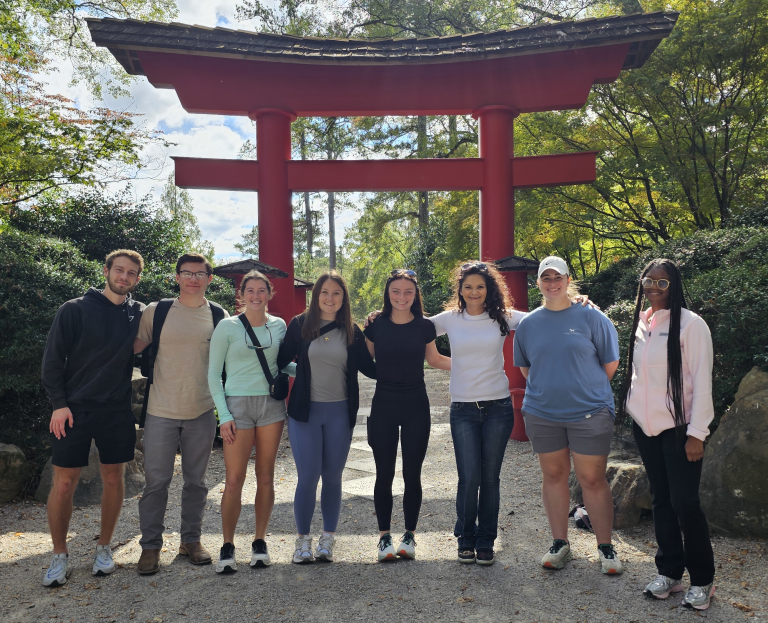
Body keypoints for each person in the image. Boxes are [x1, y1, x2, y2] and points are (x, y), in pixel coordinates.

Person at [41, 250, 146, 587]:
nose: (124, 277)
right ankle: (59, 554)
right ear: (106, 271)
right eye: (119, 270)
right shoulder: (74, 309)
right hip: (73, 409)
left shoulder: (138, 314)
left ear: (137, 279)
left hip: (116, 409)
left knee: (114, 477)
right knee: (65, 481)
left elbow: (155, 344)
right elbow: (53, 359)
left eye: (131, 273)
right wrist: (59, 404)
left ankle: (104, 548)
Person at [514, 256, 623, 575]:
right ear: (538, 283)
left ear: (568, 279)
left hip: (589, 412)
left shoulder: (592, 316)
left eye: (557, 277)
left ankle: (605, 546)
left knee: (592, 478)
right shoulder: (529, 324)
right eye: (545, 278)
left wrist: (584, 389)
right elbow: (526, 368)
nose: (552, 283)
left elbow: (610, 364)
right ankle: (560, 542)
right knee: (554, 476)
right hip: (543, 412)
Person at [621, 259, 716, 610]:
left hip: (680, 429)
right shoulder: (642, 322)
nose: (653, 287)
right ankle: (671, 572)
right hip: (645, 427)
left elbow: (703, 382)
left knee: (685, 503)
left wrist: (697, 433)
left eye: (662, 283)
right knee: (661, 498)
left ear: (674, 285)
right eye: (648, 281)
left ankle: (703, 579)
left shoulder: (691, 325)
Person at [132, 253, 229, 575]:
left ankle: (191, 540)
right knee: (156, 482)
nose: (193, 279)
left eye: (200, 274)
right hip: (160, 410)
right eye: (186, 273)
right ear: (177, 277)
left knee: (196, 482)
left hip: (201, 410)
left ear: (209, 279)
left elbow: (231, 360)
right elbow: (131, 347)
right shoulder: (155, 312)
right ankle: (150, 546)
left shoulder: (218, 315)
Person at [277, 271, 376, 564]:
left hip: (339, 412)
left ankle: (328, 539)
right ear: (315, 296)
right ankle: (303, 541)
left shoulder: (351, 330)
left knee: (332, 476)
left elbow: (369, 369)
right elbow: (282, 361)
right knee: (308, 477)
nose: (330, 299)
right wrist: (303, 374)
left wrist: (384, 335)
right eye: (324, 293)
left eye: (336, 293)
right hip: (305, 413)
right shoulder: (300, 325)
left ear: (343, 297)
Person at [207, 270, 295, 573]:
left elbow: (284, 364)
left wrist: (317, 366)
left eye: (262, 290)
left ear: (270, 294)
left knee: (266, 475)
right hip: (237, 406)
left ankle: (259, 542)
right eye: (250, 291)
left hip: (271, 405)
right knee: (234, 479)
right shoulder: (227, 327)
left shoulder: (279, 326)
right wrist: (224, 415)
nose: (256, 296)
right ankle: (228, 545)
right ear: (241, 295)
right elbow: (213, 374)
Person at [363, 269, 451, 561]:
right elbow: (364, 361)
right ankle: (384, 537)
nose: (402, 297)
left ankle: (410, 536)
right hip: (384, 404)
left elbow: (435, 359)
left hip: (416, 404)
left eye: (408, 292)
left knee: (413, 473)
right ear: (388, 294)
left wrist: (476, 364)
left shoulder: (424, 326)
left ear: (416, 295)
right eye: (396, 291)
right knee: (384, 473)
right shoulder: (376, 325)